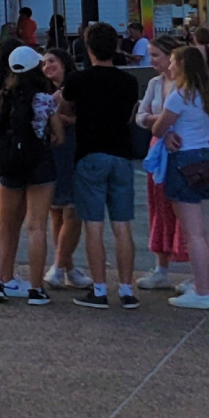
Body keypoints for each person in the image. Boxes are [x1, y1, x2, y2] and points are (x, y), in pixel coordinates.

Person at [62, 22, 142, 310]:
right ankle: (126, 288)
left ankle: (98, 289)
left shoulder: (77, 80)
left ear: (88, 48)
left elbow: (66, 108)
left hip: (90, 154)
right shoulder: (128, 82)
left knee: (93, 225)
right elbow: (130, 114)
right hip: (121, 155)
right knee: (122, 225)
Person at [148, 46, 209, 309]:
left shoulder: (179, 94)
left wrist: (163, 128)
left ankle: (201, 292)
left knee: (193, 234)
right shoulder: (206, 93)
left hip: (183, 160)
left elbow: (159, 127)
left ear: (181, 65)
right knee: (206, 230)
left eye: (172, 61)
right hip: (204, 157)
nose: (169, 66)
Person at [0, 47, 59, 304]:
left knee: (3, 224)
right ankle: (36, 289)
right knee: (36, 226)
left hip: (9, 164)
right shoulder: (45, 100)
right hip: (39, 162)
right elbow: (57, 135)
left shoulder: (0, 98)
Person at [133, 41, 190, 291]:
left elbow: (192, 118)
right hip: (158, 151)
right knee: (158, 208)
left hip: (182, 150)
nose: (151, 61)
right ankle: (161, 268)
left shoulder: (187, 86)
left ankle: (195, 272)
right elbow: (139, 116)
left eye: (155, 55)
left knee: (186, 213)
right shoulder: (156, 84)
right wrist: (161, 123)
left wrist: (158, 124)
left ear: (172, 57)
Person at [40, 50, 89, 291]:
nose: (47, 66)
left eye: (52, 61)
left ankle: (60, 266)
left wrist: (71, 121)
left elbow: (91, 117)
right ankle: (65, 267)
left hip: (75, 150)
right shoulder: (43, 91)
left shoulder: (78, 86)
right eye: (44, 63)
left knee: (72, 210)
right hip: (53, 152)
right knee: (56, 212)